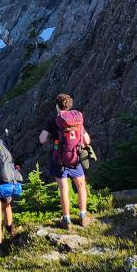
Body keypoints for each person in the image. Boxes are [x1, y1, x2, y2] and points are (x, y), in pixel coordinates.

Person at [39, 93, 93, 228]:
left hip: (60, 159)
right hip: (75, 157)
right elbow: (87, 140)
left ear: (57, 106)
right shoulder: (77, 120)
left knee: (64, 188)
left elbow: (42, 139)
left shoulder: (53, 120)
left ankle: (66, 219)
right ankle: (83, 216)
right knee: (81, 186)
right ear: (69, 106)